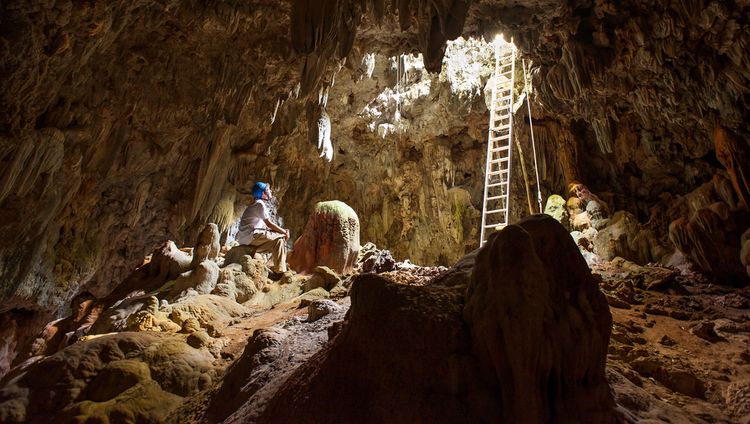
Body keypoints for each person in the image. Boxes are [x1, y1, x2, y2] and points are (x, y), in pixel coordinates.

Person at [236, 182, 290, 273]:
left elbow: (266, 226)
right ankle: (281, 271)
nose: (270, 191)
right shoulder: (259, 204)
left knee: (279, 241)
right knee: (280, 237)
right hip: (250, 237)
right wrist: (284, 232)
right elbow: (269, 224)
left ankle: (278, 268)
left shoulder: (257, 204)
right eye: (268, 190)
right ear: (262, 194)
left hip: (246, 238)